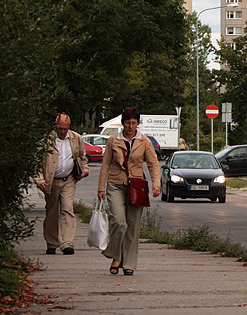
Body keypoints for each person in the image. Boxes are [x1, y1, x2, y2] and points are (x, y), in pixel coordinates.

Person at [97, 107, 161, 276]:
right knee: (119, 222)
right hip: (116, 183)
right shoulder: (113, 140)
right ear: (122, 123)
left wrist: (156, 184)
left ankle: (129, 263)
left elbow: (153, 164)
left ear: (137, 123)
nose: (130, 126)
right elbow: (105, 165)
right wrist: (101, 187)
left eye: (133, 123)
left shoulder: (145, 141)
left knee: (132, 226)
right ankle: (115, 255)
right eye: (127, 123)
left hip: (136, 186)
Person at [36, 113, 89, 255]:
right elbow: (36, 163)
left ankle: (67, 243)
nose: (63, 132)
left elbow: (82, 156)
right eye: (60, 128)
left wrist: (84, 169)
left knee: (67, 209)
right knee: (52, 212)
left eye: (65, 129)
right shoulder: (47, 141)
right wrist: (40, 180)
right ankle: (52, 243)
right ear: (55, 126)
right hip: (51, 181)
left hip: (69, 179)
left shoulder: (75, 138)